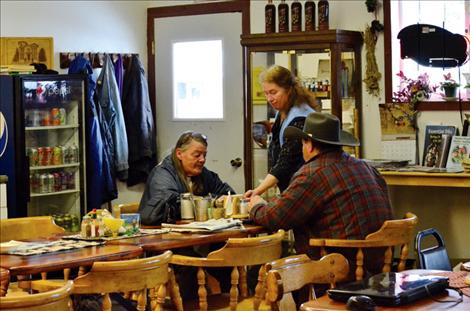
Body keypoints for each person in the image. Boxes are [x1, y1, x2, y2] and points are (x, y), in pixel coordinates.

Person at [248, 112, 393, 281]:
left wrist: (256, 205)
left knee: (262, 276)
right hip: (380, 271)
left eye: (303, 143)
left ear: (309, 145)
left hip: (338, 272)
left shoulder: (312, 173)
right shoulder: (365, 167)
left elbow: (276, 218)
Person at [245, 65, 319, 198]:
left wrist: (257, 191)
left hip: (305, 188)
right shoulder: (282, 112)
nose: (269, 98)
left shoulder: (301, 117)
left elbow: (286, 161)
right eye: (266, 93)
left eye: (273, 92)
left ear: (289, 90)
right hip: (290, 186)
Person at [139, 130, 234, 225]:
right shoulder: (162, 174)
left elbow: (227, 194)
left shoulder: (203, 173)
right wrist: (213, 201)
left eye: (204, 155)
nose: (202, 160)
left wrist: (237, 199)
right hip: (162, 235)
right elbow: (170, 205)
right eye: (197, 155)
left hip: (194, 232)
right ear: (179, 154)